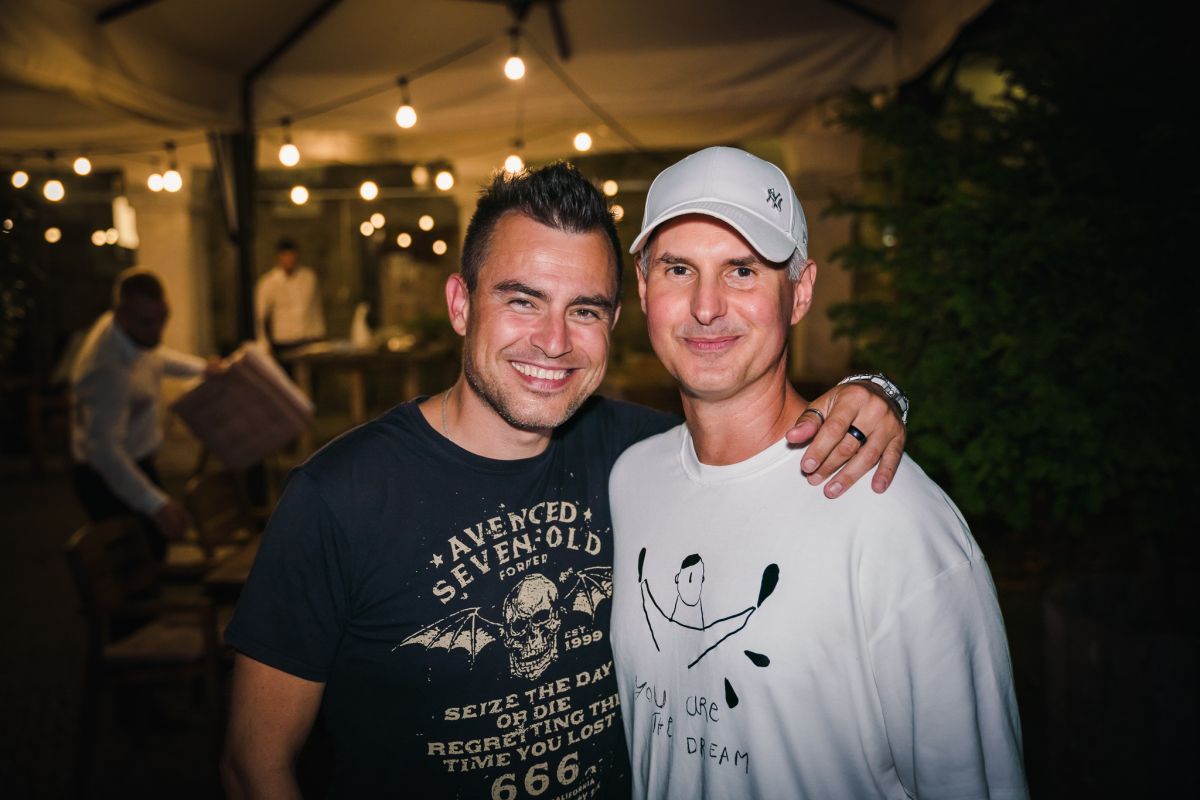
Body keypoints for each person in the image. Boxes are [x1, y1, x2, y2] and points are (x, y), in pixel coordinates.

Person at [220, 163, 907, 799]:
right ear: (461, 304)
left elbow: (757, 436)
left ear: (614, 322)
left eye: (584, 310)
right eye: (523, 301)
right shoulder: (339, 497)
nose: (554, 342)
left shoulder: (642, 458)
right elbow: (255, 764)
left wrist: (873, 395)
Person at [609, 147, 1027, 799]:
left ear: (800, 292)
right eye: (679, 268)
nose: (706, 306)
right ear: (642, 289)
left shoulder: (892, 513)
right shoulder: (631, 479)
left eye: (742, 270)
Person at [70, 267, 222, 560]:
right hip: (105, 475)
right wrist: (156, 504)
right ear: (122, 314)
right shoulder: (106, 368)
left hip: (136, 461)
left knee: (154, 548)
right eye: (147, 322)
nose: (156, 331)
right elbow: (104, 452)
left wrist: (203, 369)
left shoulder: (131, 334)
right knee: (136, 561)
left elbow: (156, 356)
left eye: (162, 318)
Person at [254, 238, 326, 360]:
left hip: (308, 339)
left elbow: (316, 309)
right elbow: (260, 317)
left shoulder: (309, 278)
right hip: (283, 342)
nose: (289, 259)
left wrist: (320, 335)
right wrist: (264, 344)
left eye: (291, 255)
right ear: (279, 257)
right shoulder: (268, 283)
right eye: (285, 255)